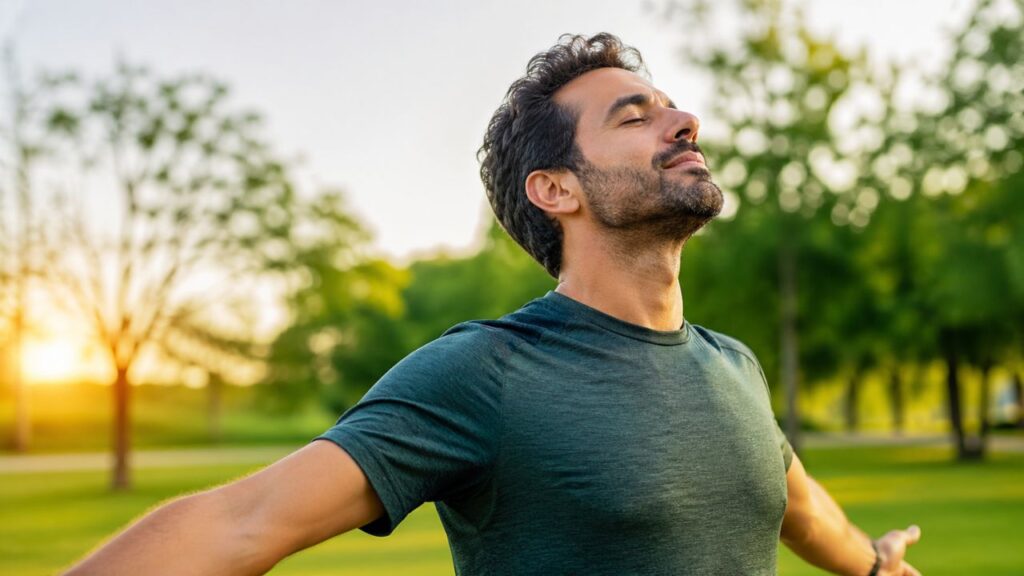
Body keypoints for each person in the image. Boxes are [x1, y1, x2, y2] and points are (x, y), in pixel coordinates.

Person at [64, 33, 922, 576]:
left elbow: (800, 511)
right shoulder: (486, 374)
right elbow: (242, 523)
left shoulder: (732, 364)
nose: (684, 121)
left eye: (673, 108)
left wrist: (879, 568)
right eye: (635, 117)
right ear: (555, 189)